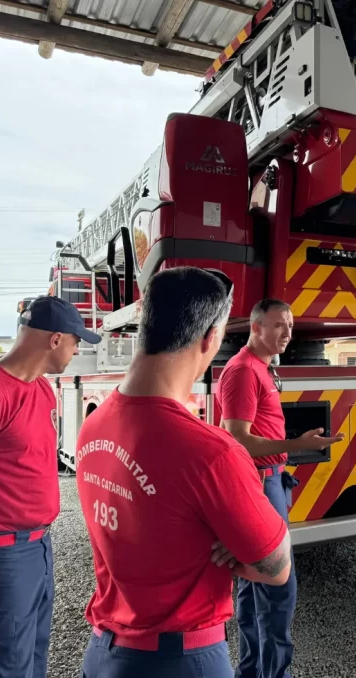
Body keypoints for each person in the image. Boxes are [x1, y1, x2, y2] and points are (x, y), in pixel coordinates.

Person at [75, 268, 293, 677]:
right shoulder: (212, 453)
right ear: (211, 338)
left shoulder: (94, 422)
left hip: (104, 653)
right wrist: (229, 541)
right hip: (180, 660)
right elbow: (276, 567)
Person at [0, 295, 99, 677]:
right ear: (56, 339)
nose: (78, 351)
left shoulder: (42, 390)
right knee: (3, 668)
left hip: (36, 549)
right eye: (77, 341)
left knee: (30, 664)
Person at [217, 298, 343, 678]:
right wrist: (299, 445)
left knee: (253, 585)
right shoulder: (242, 372)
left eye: (290, 325)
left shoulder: (262, 368)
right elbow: (237, 438)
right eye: (278, 325)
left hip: (272, 479)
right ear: (255, 327)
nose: (287, 333)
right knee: (277, 585)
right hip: (258, 483)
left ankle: (253, 671)